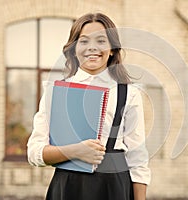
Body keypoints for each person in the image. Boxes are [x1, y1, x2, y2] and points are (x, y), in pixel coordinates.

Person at [27, 12, 151, 200]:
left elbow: (138, 159)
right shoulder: (55, 92)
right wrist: (75, 151)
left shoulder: (129, 94)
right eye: (84, 41)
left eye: (101, 41)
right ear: (74, 49)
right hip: (67, 187)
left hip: (114, 188)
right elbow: (34, 152)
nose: (92, 48)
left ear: (112, 49)